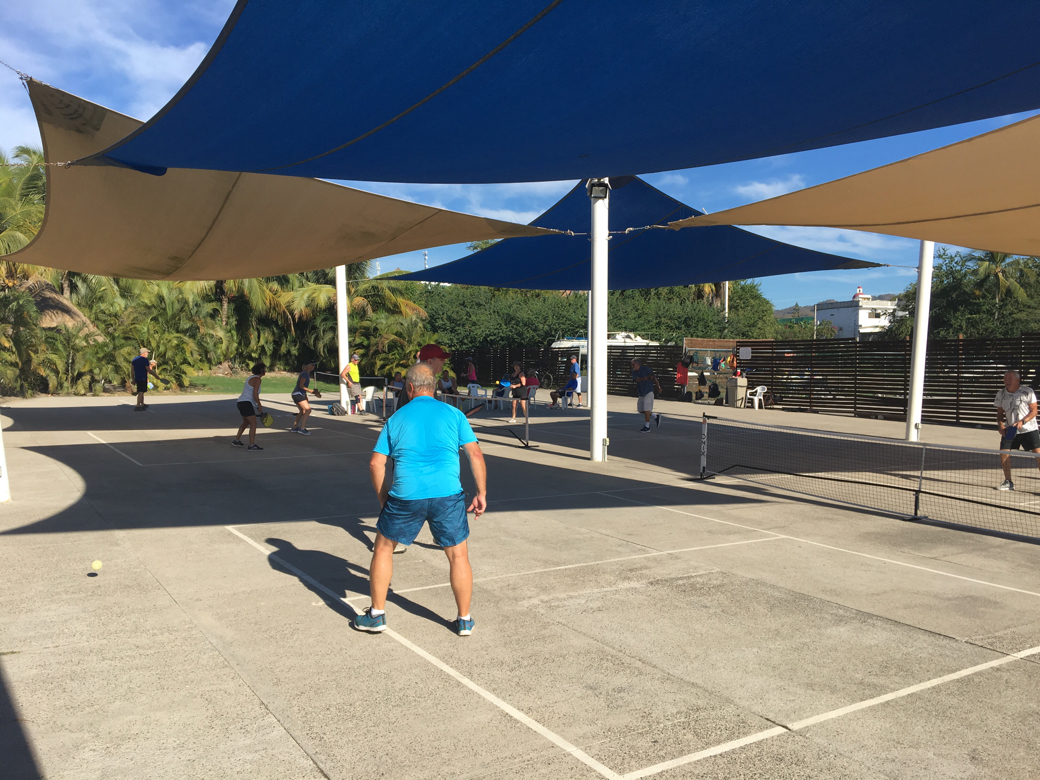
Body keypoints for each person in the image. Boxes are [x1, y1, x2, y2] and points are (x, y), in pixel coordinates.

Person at [353, 363, 487, 637]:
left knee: (383, 549)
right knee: (458, 554)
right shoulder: (454, 414)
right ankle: (464, 620)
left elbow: (375, 465)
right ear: (435, 386)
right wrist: (481, 493)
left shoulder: (396, 419)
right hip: (447, 495)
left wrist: (384, 499)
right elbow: (475, 455)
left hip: (406, 496)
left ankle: (376, 615)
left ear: (410, 387)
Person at [994, 370, 1040, 490]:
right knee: (1004, 453)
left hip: (1029, 429)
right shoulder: (1001, 394)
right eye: (1005, 379)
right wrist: (1001, 425)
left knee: (1038, 454)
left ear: (1017, 380)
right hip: (1010, 430)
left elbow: (1034, 411)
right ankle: (1008, 482)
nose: (1007, 381)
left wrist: (1022, 421)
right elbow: (999, 413)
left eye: (1009, 379)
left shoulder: (1027, 392)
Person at [396, 343, 451, 409]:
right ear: (430, 361)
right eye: (441, 359)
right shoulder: (421, 380)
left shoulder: (418, 377)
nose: (444, 361)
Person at [232, 362, 266, 450]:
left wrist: (255, 405)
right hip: (246, 403)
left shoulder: (250, 377)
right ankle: (251, 445)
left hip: (240, 402)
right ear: (262, 370)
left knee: (246, 422)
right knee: (253, 424)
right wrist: (259, 405)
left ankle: (236, 440)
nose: (266, 370)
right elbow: (255, 394)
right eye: (265, 368)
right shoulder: (258, 379)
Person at [631, 358, 662, 432]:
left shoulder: (646, 369)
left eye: (633, 364)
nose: (632, 366)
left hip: (648, 391)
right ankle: (655, 416)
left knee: (647, 409)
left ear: (638, 364)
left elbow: (654, 378)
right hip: (641, 392)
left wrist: (659, 387)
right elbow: (637, 379)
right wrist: (643, 378)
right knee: (640, 410)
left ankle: (647, 426)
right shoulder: (634, 373)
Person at [291, 361, 321, 435]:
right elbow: (301, 386)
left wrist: (306, 397)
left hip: (297, 394)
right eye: (312, 365)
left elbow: (302, 388)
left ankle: (294, 427)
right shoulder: (304, 373)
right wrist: (310, 391)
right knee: (308, 410)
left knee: (302, 411)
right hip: (298, 394)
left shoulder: (306, 373)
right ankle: (302, 428)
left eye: (314, 365)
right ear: (307, 365)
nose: (313, 366)